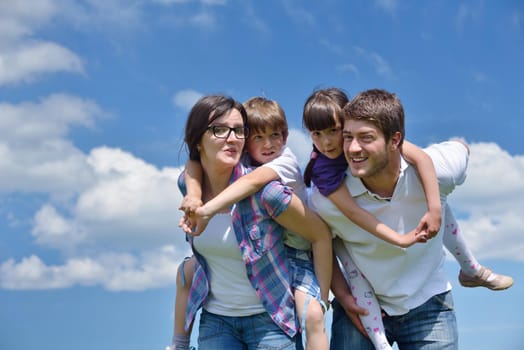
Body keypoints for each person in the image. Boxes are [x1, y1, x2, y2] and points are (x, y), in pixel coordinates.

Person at [308, 88, 502, 349]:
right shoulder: (325, 196)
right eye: (348, 137)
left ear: (395, 140)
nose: (351, 148)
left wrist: (434, 207)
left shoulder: (439, 169)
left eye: (365, 137)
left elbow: (461, 149)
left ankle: (472, 269)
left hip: (429, 305)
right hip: (364, 306)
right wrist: (341, 295)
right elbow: (321, 243)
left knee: (444, 210)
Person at [172, 94, 333, 349]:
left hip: (269, 320)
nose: (232, 137)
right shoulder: (190, 186)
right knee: (185, 270)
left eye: (238, 130)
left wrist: (320, 302)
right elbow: (190, 168)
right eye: (220, 130)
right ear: (198, 140)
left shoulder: (268, 192)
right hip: (217, 321)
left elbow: (319, 234)